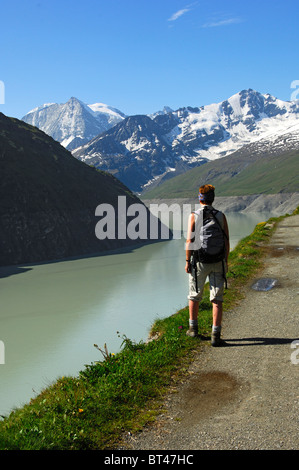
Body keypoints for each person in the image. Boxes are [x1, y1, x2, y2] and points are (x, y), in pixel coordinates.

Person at [185, 184, 230, 347]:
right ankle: (216, 335)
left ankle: (193, 329)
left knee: (194, 295)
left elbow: (190, 241)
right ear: (213, 198)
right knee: (217, 299)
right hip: (218, 261)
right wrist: (225, 260)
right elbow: (226, 240)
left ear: (200, 198)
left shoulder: (194, 216)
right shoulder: (220, 216)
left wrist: (187, 261)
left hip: (199, 261)